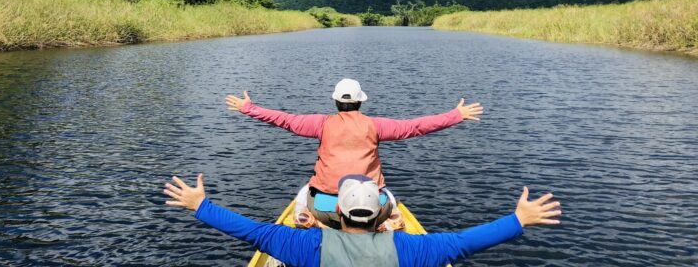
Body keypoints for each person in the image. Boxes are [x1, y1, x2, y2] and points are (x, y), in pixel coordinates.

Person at [225, 78, 483, 227]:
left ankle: (305, 218)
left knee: (305, 192)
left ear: (336, 102)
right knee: (388, 195)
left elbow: (284, 119)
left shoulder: (321, 124)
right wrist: (456, 115)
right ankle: (390, 221)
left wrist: (250, 108)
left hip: (324, 208)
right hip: (371, 210)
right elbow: (415, 127)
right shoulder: (376, 126)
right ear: (360, 101)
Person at [163, 172, 561, 267]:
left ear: (337, 211)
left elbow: (250, 231)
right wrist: (518, 220)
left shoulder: (305, 245)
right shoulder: (409, 249)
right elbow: (462, 243)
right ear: (386, 213)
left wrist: (200, 205)